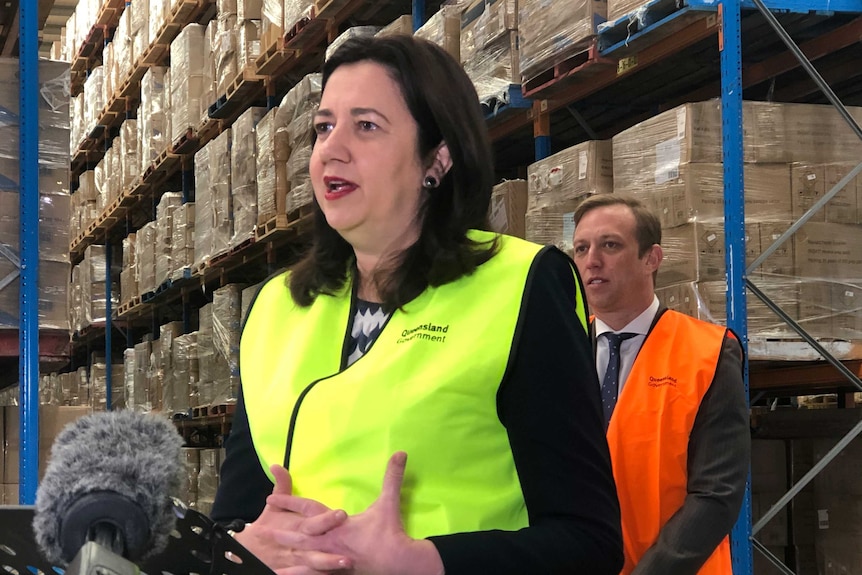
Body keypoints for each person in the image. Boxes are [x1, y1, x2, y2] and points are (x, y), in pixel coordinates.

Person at [210, 35, 623, 575]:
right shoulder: (275, 308)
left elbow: (588, 544)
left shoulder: (521, 287)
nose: (332, 148)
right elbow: (234, 519)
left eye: (366, 126)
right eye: (323, 127)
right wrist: (241, 552)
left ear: (438, 158)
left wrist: (425, 561)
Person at [570, 194, 750, 575]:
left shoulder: (709, 352)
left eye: (610, 245)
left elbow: (717, 492)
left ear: (651, 258)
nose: (592, 261)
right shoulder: (560, 353)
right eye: (581, 248)